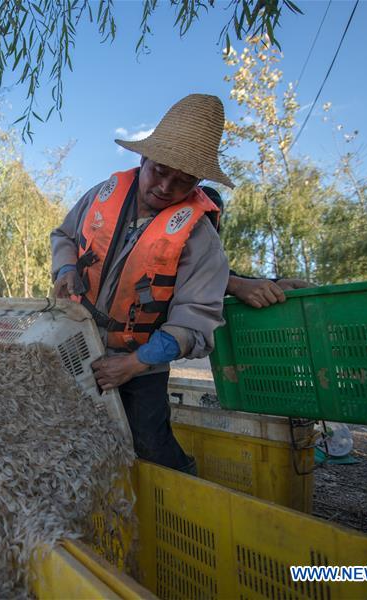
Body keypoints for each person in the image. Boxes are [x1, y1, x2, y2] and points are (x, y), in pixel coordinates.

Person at [51, 94, 231, 473]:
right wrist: (66, 270)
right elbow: (64, 236)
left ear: (197, 183)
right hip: (75, 342)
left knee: (149, 446)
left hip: (142, 361)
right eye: (159, 171)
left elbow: (193, 324)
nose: (165, 187)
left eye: (181, 182)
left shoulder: (200, 238)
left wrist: (132, 364)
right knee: (65, 439)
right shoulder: (101, 195)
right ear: (143, 159)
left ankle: (184, 502)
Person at [200, 185, 314, 308]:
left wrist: (276, 284)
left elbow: (222, 275)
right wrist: (235, 285)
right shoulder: (181, 241)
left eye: (213, 217)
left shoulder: (209, 254)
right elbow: (186, 278)